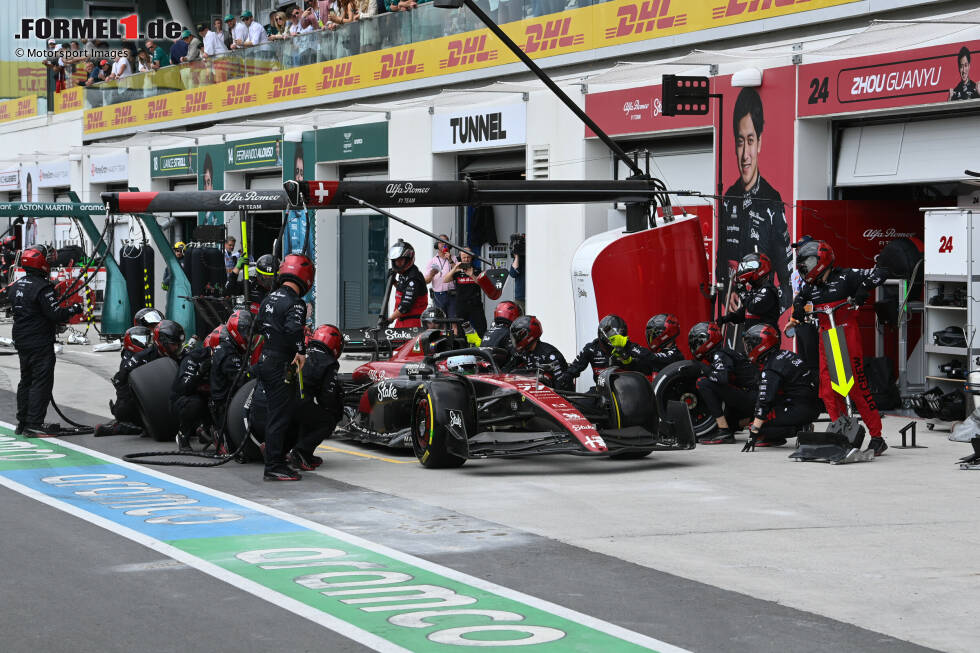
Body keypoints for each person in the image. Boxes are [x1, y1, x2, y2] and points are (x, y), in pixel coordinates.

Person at [789, 239, 889, 455]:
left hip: (846, 333)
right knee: (828, 390)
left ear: (821, 259)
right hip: (826, 337)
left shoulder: (847, 276)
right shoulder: (811, 287)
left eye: (808, 262)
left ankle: (877, 437)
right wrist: (797, 308)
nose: (805, 267)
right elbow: (800, 299)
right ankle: (840, 432)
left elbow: (881, 272)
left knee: (856, 387)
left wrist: (863, 288)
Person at [718, 87, 792, 313]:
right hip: (733, 324)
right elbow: (719, 263)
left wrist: (768, 307)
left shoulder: (773, 201)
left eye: (750, 140)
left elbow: (788, 283)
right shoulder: (727, 198)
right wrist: (725, 293)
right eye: (740, 142)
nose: (745, 154)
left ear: (759, 142)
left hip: (762, 327)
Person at [8, 247, 82, 436]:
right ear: (40, 262)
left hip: (22, 339)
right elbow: (56, 314)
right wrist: (74, 309)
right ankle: (34, 423)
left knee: (26, 380)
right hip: (38, 341)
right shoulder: (42, 287)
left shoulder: (17, 284)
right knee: (41, 381)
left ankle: (22, 422)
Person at [256, 254, 314, 481]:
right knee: (280, 416)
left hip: (266, 359)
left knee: (277, 413)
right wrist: (301, 351)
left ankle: (274, 455)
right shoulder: (295, 302)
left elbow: (260, 325)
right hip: (280, 363)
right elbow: (292, 329)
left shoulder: (269, 298)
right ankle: (274, 465)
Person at [94, 320, 183, 437]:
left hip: (176, 397)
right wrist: (125, 398)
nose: (176, 348)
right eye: (173, 344)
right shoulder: (141, 358)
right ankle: (130, 426)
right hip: (154, 398)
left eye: (178, 344)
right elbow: (119, 378)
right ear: (162, 342)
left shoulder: (182, 356)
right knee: (123, 411)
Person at [741, 324, 819, 451]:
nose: (748, 348)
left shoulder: (771, 367)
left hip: (800, 408)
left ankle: (801, 429)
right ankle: (801, 424)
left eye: (750, 345)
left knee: (756, 425)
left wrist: (753, 434)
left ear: (759, 345)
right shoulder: (786, 354)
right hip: (811, 404)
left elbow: (764, 402)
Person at [286, 324, 345, 470]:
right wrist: (335, 412)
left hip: (283, 400)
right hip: (298, 403)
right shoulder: (329, 363)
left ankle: (302, 453)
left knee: (309, 412)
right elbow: (328, 396)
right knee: (327, 421)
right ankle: (300, 452)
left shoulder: (303, 352)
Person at [690, 321, 757, 445]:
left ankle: (724, 431)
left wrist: (704, 368)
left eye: (698, 342)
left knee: (702, 383)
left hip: (751, 397)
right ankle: (754, 419)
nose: (696, 345)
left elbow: (722, 379)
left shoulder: (720, 354)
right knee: (728, 421)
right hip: (752, 398)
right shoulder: (723, 352)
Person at [557, 314, 652, 389]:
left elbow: (648, 368)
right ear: (602, 335)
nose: (615, 341)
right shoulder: (591, 348)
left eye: (619, 336)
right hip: (602, 391)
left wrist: (629, 360)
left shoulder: (629, 347)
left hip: (626, 392)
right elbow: (575, 368)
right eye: (613, 337)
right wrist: (565, 378)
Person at [210, 309, 255, 438]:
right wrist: (259, 370)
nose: (249, 338)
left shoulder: (232, 348)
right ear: (237, 331)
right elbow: (240, 381)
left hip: (229, 400)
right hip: (226, 405)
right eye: (246, 333)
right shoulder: (228, 352)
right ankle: (220, 435)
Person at [716, 252, 781, 334]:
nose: (745, 269)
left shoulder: (768, 290)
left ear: (761, 268)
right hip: (752, 337)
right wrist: (725, 319)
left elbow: (753, 308)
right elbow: (745, 312)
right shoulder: (756, 289)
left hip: (767, 338)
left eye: (751, 265)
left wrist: (742, 292)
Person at [171, 334, 215, 451]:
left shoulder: (228, 356)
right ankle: (183, 435)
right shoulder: (193, 358)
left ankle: (206, 430)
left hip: (211, 398)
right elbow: (184, 388)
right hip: (185, 399)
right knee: (195, 403)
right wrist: (199, 373)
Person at [503, 315, 567, 384]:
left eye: (517, 336)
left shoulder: (550, 355)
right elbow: (505, 373)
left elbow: (562, 385)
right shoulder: (521, 353)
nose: (515, 340)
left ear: (529, 334)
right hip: (525, 392)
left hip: (547, 393)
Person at [443, 248, 486, 336]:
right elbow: (445, 280)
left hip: (475, 304)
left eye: (468, 257)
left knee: (481, 329)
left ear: (471, 258)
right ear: (460, 258)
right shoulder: (457, 272)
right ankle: (463, 348)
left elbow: (483, 284)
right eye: (464, 257)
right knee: (461, 331)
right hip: (461, 304)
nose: (466, 259)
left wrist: (472, 275)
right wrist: (454, 268)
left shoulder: (477, 270)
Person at [385, 240, 427, 328]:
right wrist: (394, 282)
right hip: (401, 322)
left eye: (401, 260)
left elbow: (405, 305)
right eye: (396, 260)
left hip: (412, 324)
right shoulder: (405, 274)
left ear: (408, 259)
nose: (398, 263)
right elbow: (404, 290)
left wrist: (389, 320)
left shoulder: (414, 278)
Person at [424, 237, 456, 317]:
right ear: (436, 245)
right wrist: (432, 274)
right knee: (440, 321)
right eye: (441, 242)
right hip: (438, 295)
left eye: (445, 242)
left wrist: (450, 260)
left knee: (454, 322)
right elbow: (426, 281)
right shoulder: (432, 261)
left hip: (452, 294)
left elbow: (458, 271)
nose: (443, 244)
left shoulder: (454, 258)